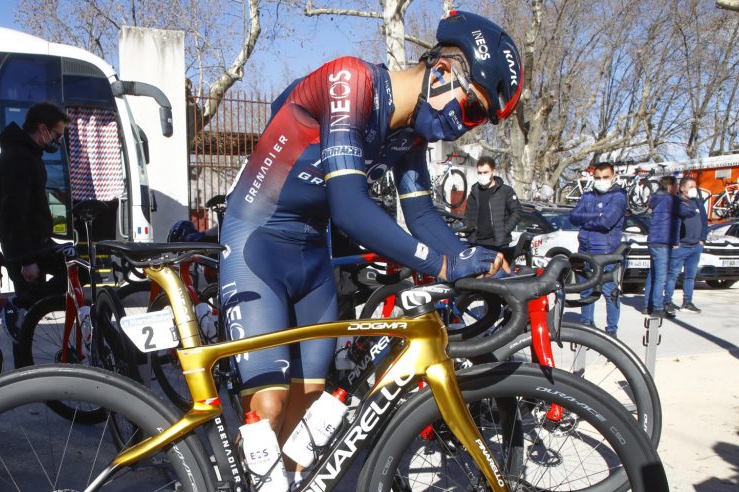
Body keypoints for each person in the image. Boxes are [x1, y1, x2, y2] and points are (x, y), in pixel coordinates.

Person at [218, 9, 520, 480]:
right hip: (255, 246)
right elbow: (351, 209)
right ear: (443, 71)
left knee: (309, 413)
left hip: (311, 256)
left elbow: (420, 214)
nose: (468, 126)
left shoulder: (408, 136)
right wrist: (440, 266)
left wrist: (470, 260)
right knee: (270, 408)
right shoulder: (349, 82)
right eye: (473, 109)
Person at [0, 102, 73, 329]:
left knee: (77, 266)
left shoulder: (26, 155)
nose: (59, 140)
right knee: (79, 268)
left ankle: (23, 306)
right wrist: (27, 260)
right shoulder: (20, 159)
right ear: (42, 128)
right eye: (57, 134)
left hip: (33, 245)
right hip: (27, 249)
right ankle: (18, 304)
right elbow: (13, 213)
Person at [569, 162, 627, 337]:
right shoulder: (587, 196)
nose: (601, 181)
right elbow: (572, 217)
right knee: (586, 290)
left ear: (614, 177)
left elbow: (606, 222)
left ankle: (611, 332)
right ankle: (587, 325)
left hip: (607, 253)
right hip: (585, 250)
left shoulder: (619, 197)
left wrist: (586, 218)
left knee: (610, 292)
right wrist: (596, 215)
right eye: (597, 178)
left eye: (605, 177)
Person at [644, 175, 695, 318]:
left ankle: (647, 305)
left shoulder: (656, 198)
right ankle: (657, 307)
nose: (678, 188)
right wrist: (690, 200)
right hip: (663, 240)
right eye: (677, 185)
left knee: (653, 274)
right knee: (661, 276)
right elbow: (688, 212)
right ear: (670, 186)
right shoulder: (671, 200)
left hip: (653, 240)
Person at [665, 176, 708, 313]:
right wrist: (675, 241)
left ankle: (687, 302)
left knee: (690, 276)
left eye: (695, 187)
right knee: (673, 275)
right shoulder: (676, 203)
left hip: (695, 246)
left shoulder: (697, 203)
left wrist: (702, 239)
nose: (694, 190)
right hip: (680, 246)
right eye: (691, 187)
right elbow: (672, 224)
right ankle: (667, 302)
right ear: (682, 188)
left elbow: (704, 222)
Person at [463, 156, 522, 250]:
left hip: (498, 244)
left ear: (493, 171)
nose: (482, 175)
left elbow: (517, 212)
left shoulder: (505, 191)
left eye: (485, 172)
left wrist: (504, 231)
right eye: (479, 172)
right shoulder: (474, 192)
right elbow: (467, 215)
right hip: (476, 243)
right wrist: (469, 233)